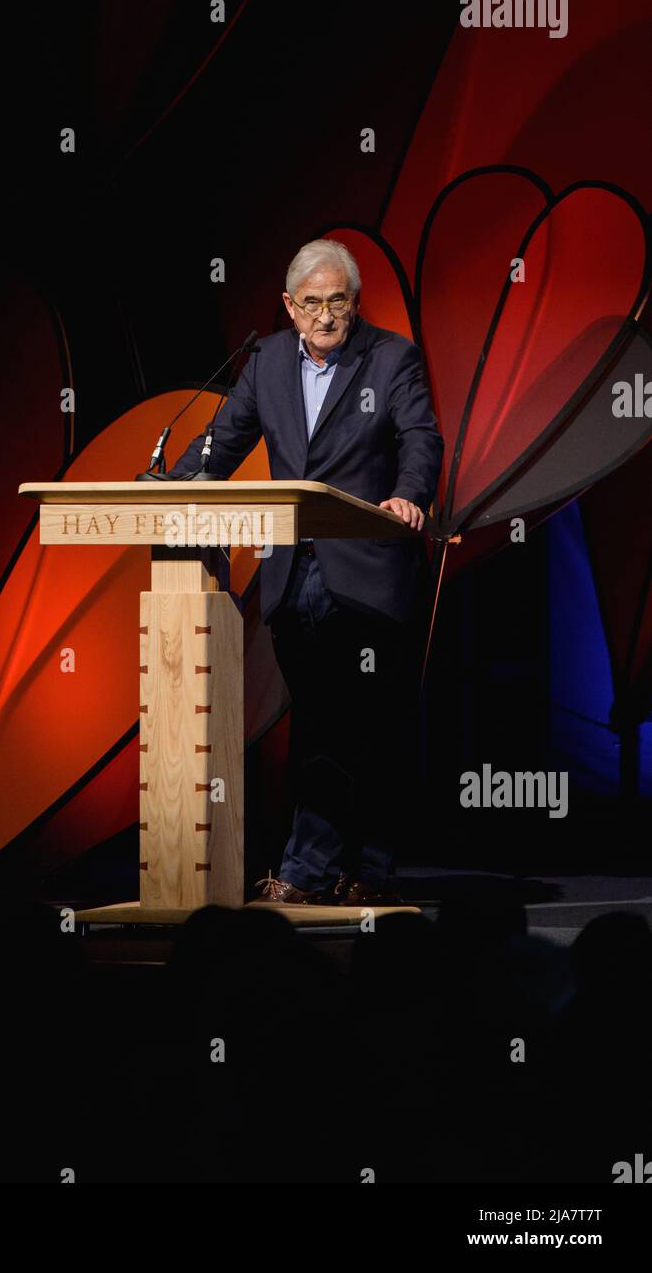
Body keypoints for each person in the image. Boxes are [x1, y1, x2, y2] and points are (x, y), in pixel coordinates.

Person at [168, 239, 444, 905]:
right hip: (292, 574)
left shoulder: (390, 357)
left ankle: (334, 869)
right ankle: (331, 868)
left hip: (367, 570)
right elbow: (222, 441)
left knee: (362, 724)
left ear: (355, 302)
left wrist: (410, 493)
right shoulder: (263, 363)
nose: (326, 316)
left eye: (338, 301)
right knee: (322, 721)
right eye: (312, 303)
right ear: (290, 308)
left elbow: (420, 437)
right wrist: (172, 486)